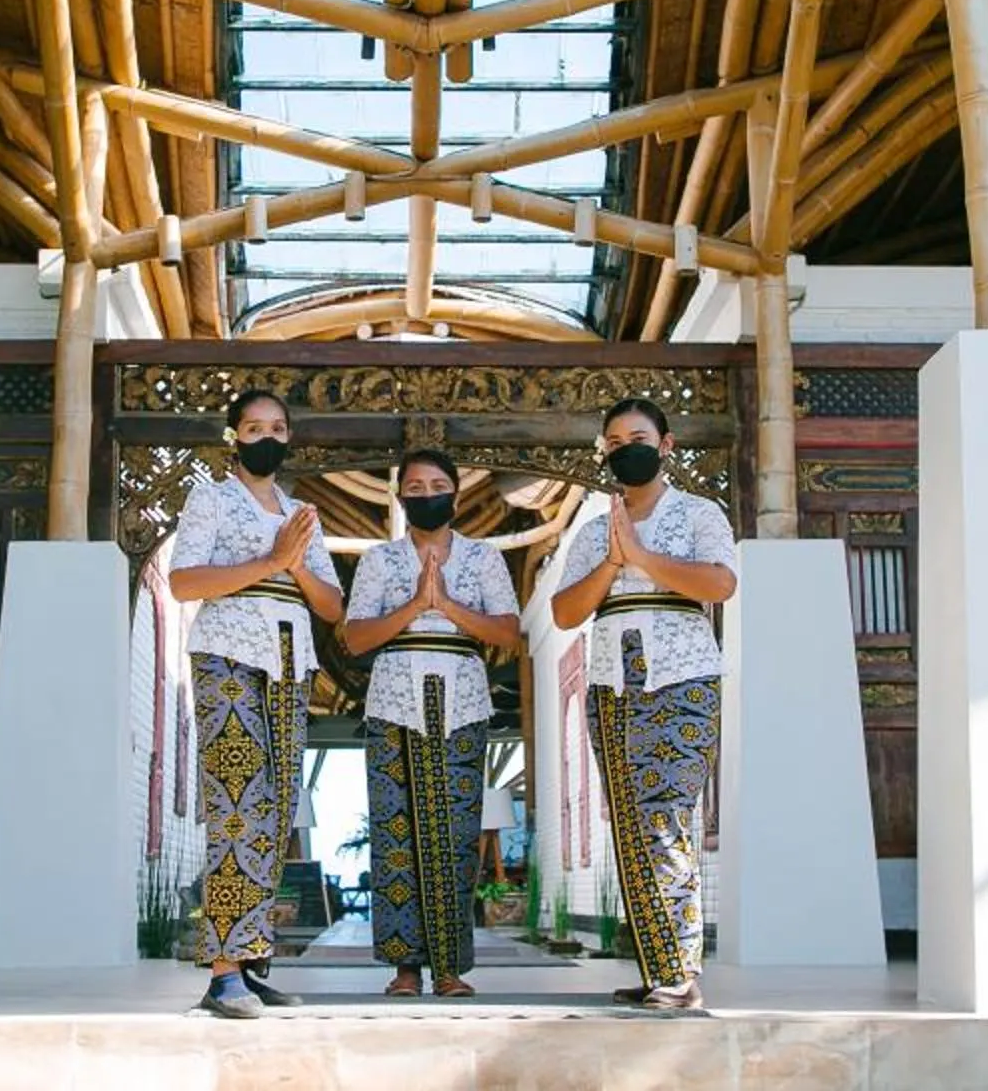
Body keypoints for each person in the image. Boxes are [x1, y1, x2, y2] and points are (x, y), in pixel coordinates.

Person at [548, 396, 740, 1012]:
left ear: (665, 445)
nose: (624, 446)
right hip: (611, 680)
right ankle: (659, 965)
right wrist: (612, 558)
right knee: (630, 826)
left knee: (667, 815)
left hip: (680, 675)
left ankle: (680, 974)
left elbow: (719, 583)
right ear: (604, 452)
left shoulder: (699, 512)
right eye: (613, 439)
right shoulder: (590, 531)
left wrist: (644, 558)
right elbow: (565, 612)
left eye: (637, 436)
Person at [164, 388, 342, 1019]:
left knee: (273, 813)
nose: (266, 434)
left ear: (287, 437)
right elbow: (185, 582)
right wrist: (271, 560)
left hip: (291, 661)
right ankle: (222, 973)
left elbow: (331, 605)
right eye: (253, 426)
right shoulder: (209, 498)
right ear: (234, 435)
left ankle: (249, 958)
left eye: (277, 426)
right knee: (236, 803)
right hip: (229, 656)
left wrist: (293, 563)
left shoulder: (301, 513)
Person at [338, 449, 520, 998]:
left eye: (437, 484)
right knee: (397, 837)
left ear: (456, 494)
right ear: (399, 496)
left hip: (462, 700)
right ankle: (405, 968)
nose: (425, 494)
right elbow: (355, 638)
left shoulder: (485, 558)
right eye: (414, 487)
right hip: (394, 700)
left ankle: (448, 967)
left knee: (456, 836)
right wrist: (417, 604)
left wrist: (449, 605)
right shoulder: (378, 561)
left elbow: (507, 633)